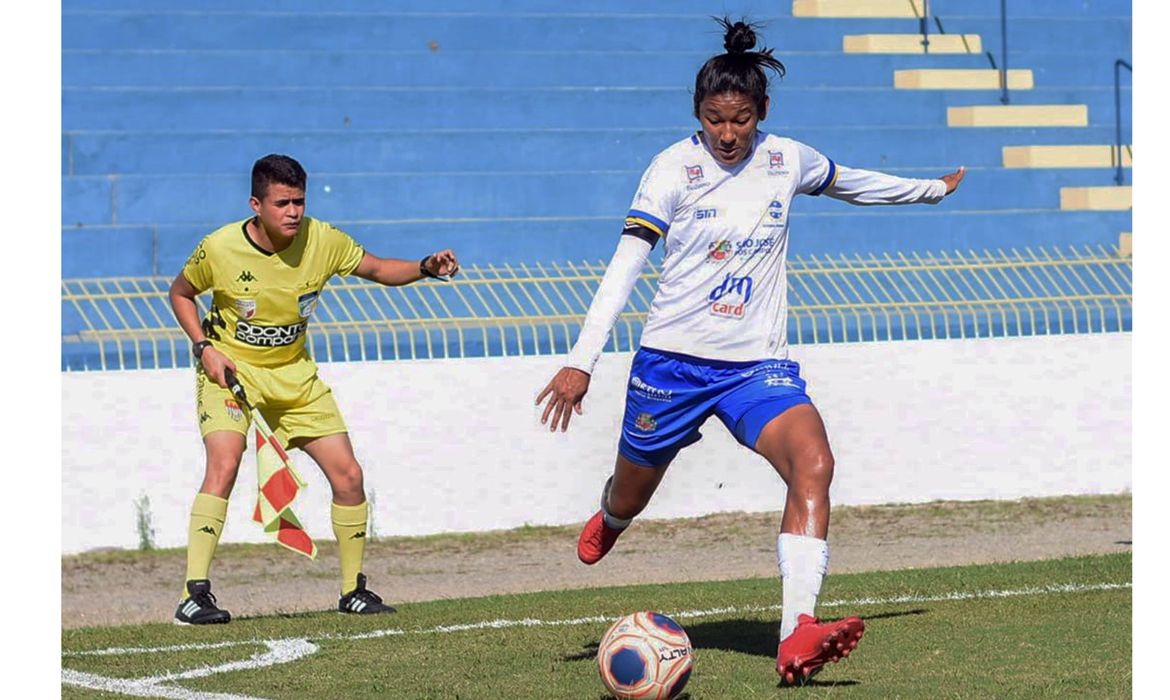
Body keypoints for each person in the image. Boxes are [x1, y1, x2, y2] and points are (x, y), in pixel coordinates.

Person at [535, 18, 965, 684]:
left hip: (756, 369)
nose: (727, 135)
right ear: (697, 114)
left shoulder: (785, 159)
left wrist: (928, 190)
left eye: (739, 120)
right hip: (672, 365)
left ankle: (796, 633)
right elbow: (626, 264)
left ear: (761, 112)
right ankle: (615, 516)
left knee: (814, 462)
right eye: (714, 120)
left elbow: (850, 181)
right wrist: (581, 360)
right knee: (631, 491)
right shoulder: (671, 169)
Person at [168, 154, 460, 624]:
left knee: (349, 476)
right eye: (282, 203)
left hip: (296, 379)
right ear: (256, 205)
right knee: (224, 464)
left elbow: (381, 269)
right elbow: (180, 293)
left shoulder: (322, 240)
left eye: (299, 201)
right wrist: (204, 348)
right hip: (232, 376)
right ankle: (193, 595)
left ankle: (352, 591)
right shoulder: (219, 248)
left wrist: (426, 266)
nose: (293, 212)